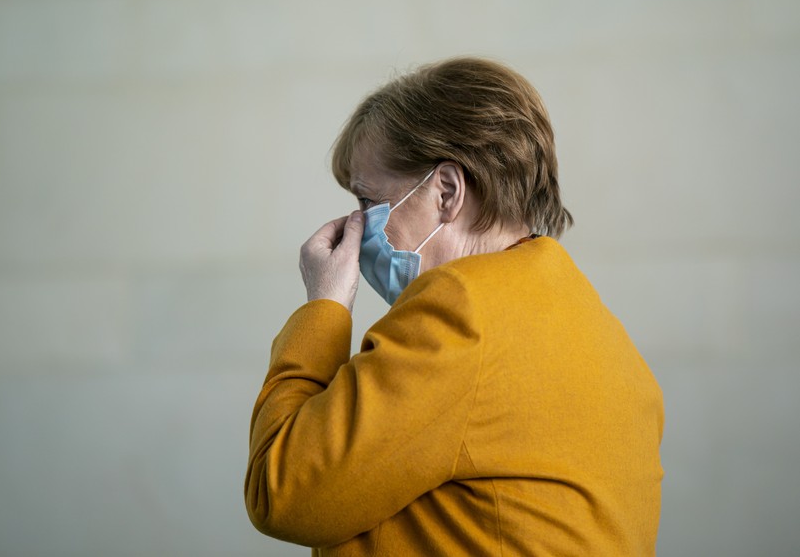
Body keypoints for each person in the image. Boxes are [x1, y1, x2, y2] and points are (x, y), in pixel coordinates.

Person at [244, 57, 664, 556]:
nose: (356, 229)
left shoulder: (460, 309)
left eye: (367, 202)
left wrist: (325, 308)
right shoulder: (596, 327)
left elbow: (284, 492)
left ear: (446, 191)